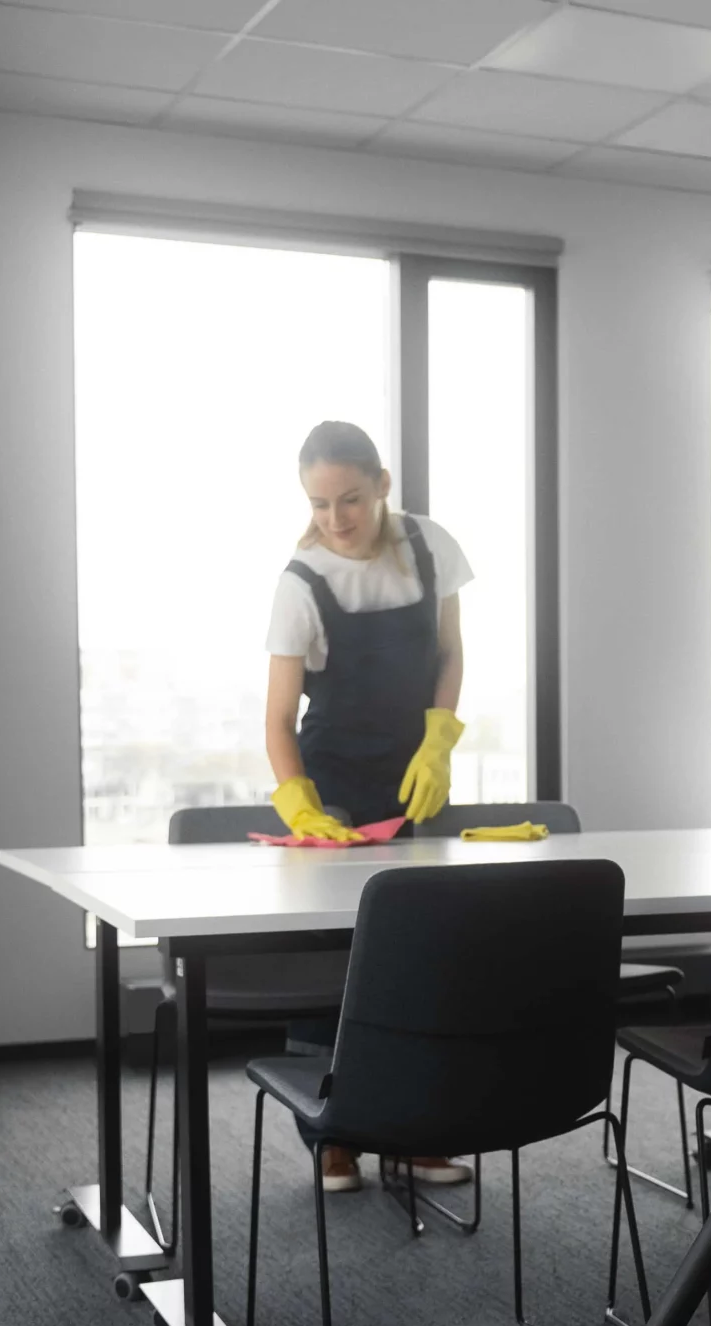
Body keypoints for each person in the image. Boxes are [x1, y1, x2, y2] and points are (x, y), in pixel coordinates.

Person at [263, 419, 473, 1194]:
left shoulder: (428, 546)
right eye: (319, 504)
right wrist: (299, 802)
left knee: (419, 955)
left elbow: (451, 653)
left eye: (349, 498)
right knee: (337, 961)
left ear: (382, 484)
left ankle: (415, 1133)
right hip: (334, 781)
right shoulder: (302, 581)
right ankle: (333, 1137)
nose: (335, 519)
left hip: (413, 774)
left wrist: (441, 737)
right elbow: (279, 718)